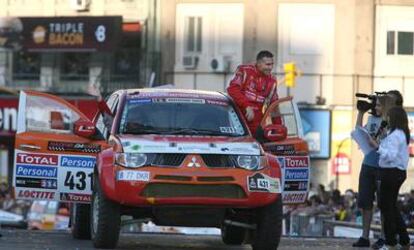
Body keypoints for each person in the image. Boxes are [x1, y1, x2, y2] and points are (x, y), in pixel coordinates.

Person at [352, 94, 394, 248]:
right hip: (368, 164)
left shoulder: (390, 122)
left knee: (383, 204)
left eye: (378, 105)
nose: (375, 108)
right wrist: (361, 113)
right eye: (374, 105)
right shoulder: (370, 120)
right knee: (365, 202)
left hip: (383, 166)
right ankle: (364, 236)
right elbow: (358, 131)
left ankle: (384, 236)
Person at [369, 106, 410, 250]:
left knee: (386, 207)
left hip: (391, 173)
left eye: (389, 117)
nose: (387, 119)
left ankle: (391, 242)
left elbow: (391, 156)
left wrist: (376, 147)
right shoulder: (397, 133)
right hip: (395, 172)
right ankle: (404, 240)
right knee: (390, 207)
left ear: (395, 118)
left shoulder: (396, 135)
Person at [227, 50, 278, 135]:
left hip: (256, 126)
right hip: (237, 122)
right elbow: (232, 89)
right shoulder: (244, 71)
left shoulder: (272, 80)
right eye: (268, 64)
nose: (270, 68)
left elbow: (274, 106)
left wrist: (278, 129)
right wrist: (247, 106)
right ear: (258, 63)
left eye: (272, 64)